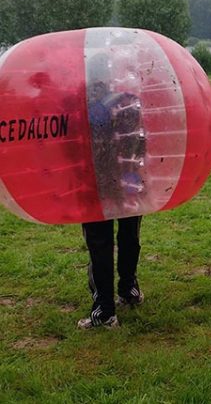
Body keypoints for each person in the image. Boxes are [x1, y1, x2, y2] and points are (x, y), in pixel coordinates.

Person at [78, 53, 146, 329]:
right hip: (129, 181)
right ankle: (129, 290)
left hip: (96, 185)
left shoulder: (82, 106)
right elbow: (141, 143)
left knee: (99, 243)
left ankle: (104, 311)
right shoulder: (129, 101)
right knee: (130, 236)